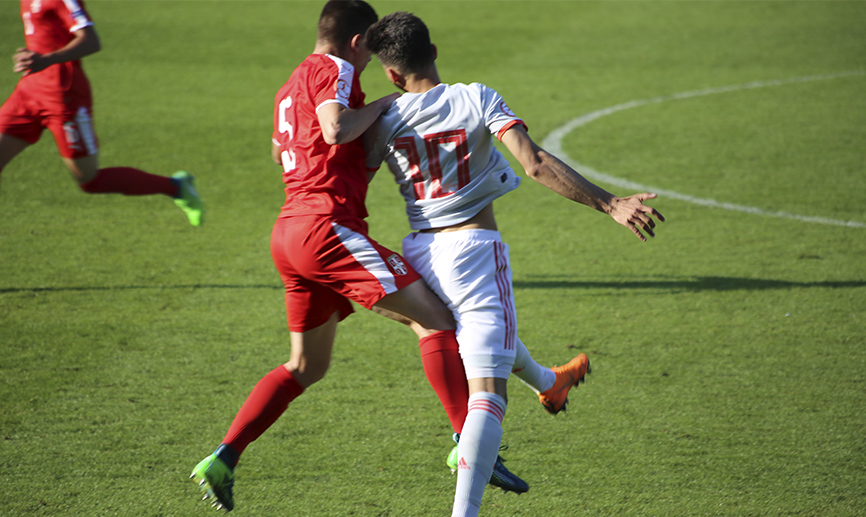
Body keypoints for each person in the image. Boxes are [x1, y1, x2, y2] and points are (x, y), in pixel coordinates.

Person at [189, 2, 521, 512]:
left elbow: (281, 151)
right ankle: (467, 446)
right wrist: (386, 106)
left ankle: (223, 456)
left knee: (306, 365)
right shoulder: (336, 70)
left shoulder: (289, 85)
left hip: (288, 234)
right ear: (357, 41)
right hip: (327, 230)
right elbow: (335, 129)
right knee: (437, 323)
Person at [364, 12, 665, 516]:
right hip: (475, 253)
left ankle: (550, 383)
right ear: (434, 51)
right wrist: (611, 204)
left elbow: (348, 177)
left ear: (391, 75)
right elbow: (536, 164)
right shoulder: (477, 96)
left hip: (418, 253)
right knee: (487, 394)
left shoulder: (385, 118)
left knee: (484, 337)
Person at [0, 0, 204, 226]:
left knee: (89, 180)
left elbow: (91, 41)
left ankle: (176, 187)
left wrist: (46, 60)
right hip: (28, 91)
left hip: (64, 96)